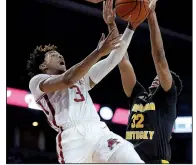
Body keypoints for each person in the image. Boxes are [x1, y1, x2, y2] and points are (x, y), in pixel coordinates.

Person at [27, 16, 144, 162]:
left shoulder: (81, 78)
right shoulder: (37, 81)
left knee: (129, 155)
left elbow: (114, 58)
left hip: (99, 131)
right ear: (43, 66)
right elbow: (67, 80)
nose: (60, 55)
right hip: (72, 138)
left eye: (59, 54)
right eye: (53, 55)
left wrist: (131, 27)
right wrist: (99, 52)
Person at [116, 1, 182, 164]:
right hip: (129, 160)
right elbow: (123, 61)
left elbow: (159, 59)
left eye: (161, 77)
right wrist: (111, 24)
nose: (156, 78)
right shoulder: (138, 95)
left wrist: (151, 16)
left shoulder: (167, 99)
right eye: (156, 76)